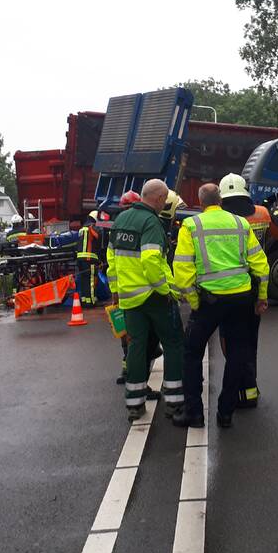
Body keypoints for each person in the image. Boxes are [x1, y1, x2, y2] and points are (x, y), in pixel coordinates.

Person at [173, 183, 270, 429]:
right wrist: (261, 297)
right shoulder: (241, 223)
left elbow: (182, 269)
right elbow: (260, 264)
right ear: (221, 201)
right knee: (237, 353)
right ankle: (226, 413)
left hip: (209, 300)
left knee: (192, 353)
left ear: (201, 202)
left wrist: (194, 301)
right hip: (241, 298)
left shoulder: (191, 225)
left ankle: (194, 413)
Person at [107, 179, 184, 422]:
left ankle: (135, 404)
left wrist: (116, 291)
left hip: (129, 298)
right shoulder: (151, 222)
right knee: (173, 343)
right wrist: (165, 290)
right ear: (159, 199)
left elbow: (111, 261)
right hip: (154, 297)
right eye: (165, 200)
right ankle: (174, 401)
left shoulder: (120, 220)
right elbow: (151, 260)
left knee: (137, 348)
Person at [219, 173, 278, 409]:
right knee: (250, 340)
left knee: (230, 341)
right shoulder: (262, 213)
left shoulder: (221, 218)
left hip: (230, 285)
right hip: (255, 284)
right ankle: (250, 389)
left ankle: (237, 387)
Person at [76, 210, 103, 307]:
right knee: (91, 280)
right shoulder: (91, 227)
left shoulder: (81, 229)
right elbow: (98, 237)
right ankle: (92, 301)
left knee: (84, 280)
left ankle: (85, 300)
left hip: (80, 259)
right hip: (89, 259)